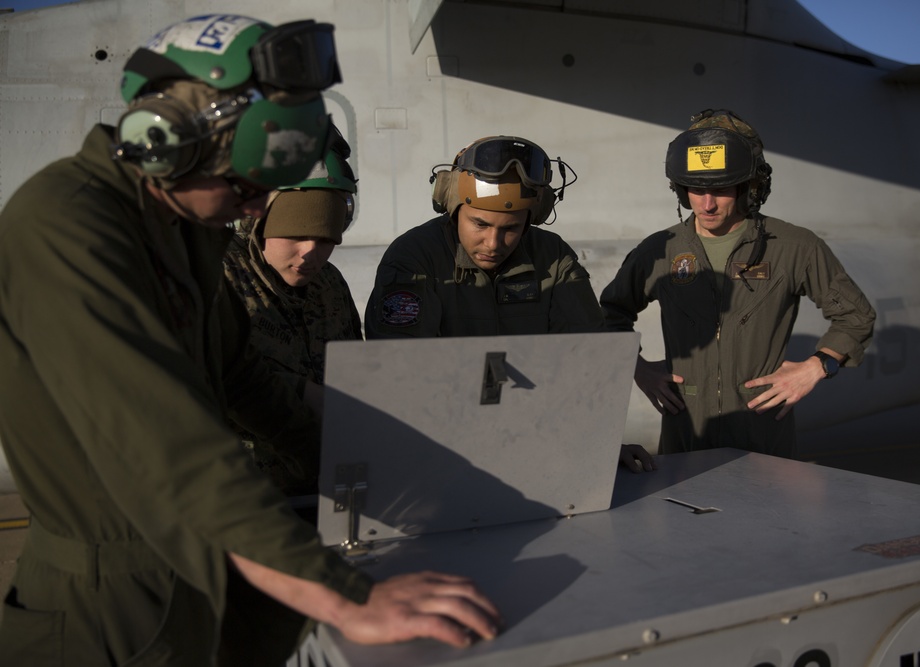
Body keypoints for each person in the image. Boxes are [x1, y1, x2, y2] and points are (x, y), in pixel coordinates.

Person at [0, 14, 499, 666]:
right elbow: (172, 446)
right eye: (244, 186)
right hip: (109, 616)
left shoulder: (181, 227)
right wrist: (347, 597)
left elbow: (243, 380)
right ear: (166, 141)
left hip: (212, 581)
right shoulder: (66, 225)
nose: (258, 209)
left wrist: (376, 468)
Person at [365, 135, 653, 471]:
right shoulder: (415, 258)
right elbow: (402, 369)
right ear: (454, 206)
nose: (493, 243)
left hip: (536, 443)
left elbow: (586, 355)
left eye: (512, 229)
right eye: (479, 224)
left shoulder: (552, 256)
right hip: (440, 447)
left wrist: (599, 439)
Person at [600, 109, 876, 458]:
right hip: (685, 433)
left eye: (720, 189)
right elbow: (610, 313)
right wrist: (637, 368)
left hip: (762, 433)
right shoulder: (659, 250)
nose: (707, 203)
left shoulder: (793, 247)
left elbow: (856, 316)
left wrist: (817, 366)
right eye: (696, 190)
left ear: (748, 187)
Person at [224, 143, 361, 496]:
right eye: (296, 236)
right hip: (245, 496)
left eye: (325, 239)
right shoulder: (218, 277)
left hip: (325, 488)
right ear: (259, 221)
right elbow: (200, 383)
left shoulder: (329, 283)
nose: (309, 254)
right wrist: (302, 393)